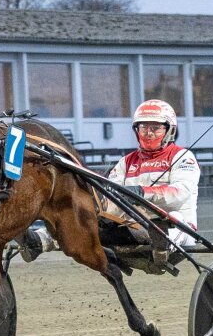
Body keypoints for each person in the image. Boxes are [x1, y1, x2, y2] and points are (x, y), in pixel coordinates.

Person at [20, 99, 200, 262]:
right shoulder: (127, 161)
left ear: (170, 130)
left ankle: (162, 245)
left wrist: (142, 192)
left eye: (155, 128)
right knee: (87, 217)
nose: (149, 133)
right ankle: (38, 240)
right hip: (134, 229)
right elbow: (110, 196)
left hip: (179, 232)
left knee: (175, 218)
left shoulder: (182, 157)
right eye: (143, 127)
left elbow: (181, 193)